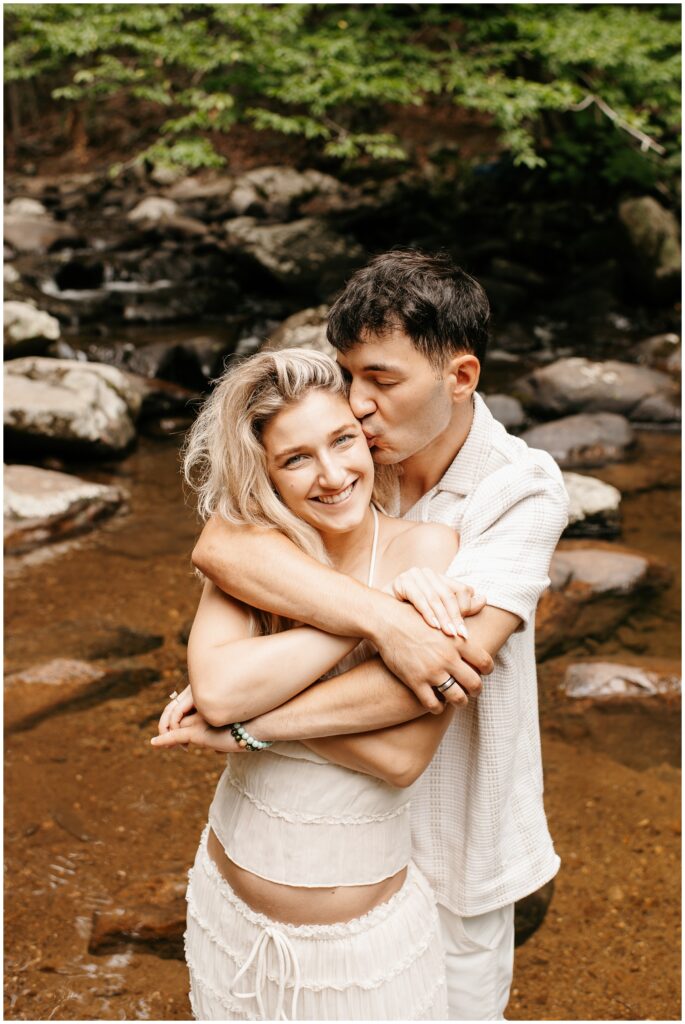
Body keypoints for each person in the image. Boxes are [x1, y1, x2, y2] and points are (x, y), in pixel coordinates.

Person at [183, 249, 570, 1020]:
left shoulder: (519, 490)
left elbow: (442, 668)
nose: (355, 405)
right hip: (318, 829)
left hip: (453, 837)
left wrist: (244, 722)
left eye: (381, 382)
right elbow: (221, 547)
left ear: (459, 378)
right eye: (348, 372)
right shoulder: (351, 457)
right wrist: (382, 613)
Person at [152, 348, 491, 1020]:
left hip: (361, 953)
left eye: (342, 442)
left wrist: (251, 725)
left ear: (366, 438)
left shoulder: (423, 552)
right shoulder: (257, 552)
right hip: (227, 916)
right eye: (295, 458)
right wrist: (376, 617)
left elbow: (402, 757)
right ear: (265, 473)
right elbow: (218, 690)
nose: (332, 475)